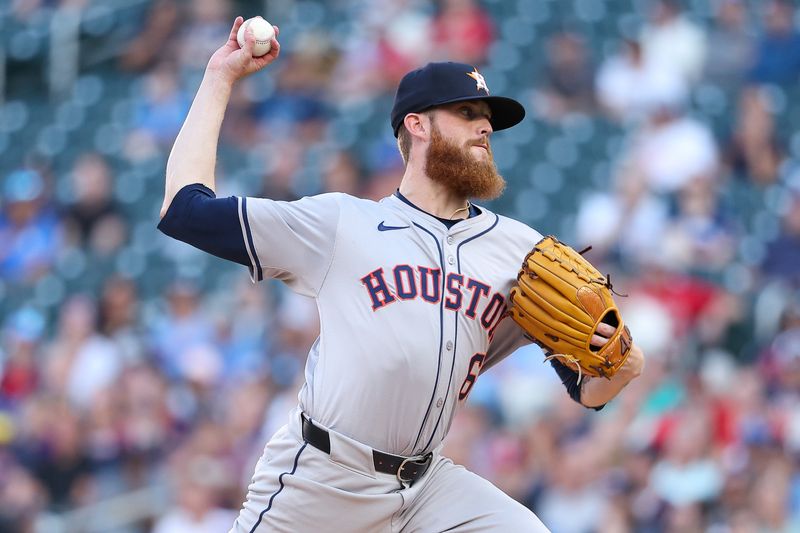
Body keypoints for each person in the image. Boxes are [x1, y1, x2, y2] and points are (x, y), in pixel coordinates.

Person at [158, 17, 645, 532]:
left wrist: (623, 368)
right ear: (417, 125)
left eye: (487, 118)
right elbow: (184, 210)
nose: (485, 127)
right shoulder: (343, 223)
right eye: (466, 112)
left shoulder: (522, 253)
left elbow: (586, 390)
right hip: (323, 479)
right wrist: (219, 78)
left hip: (427, 488)